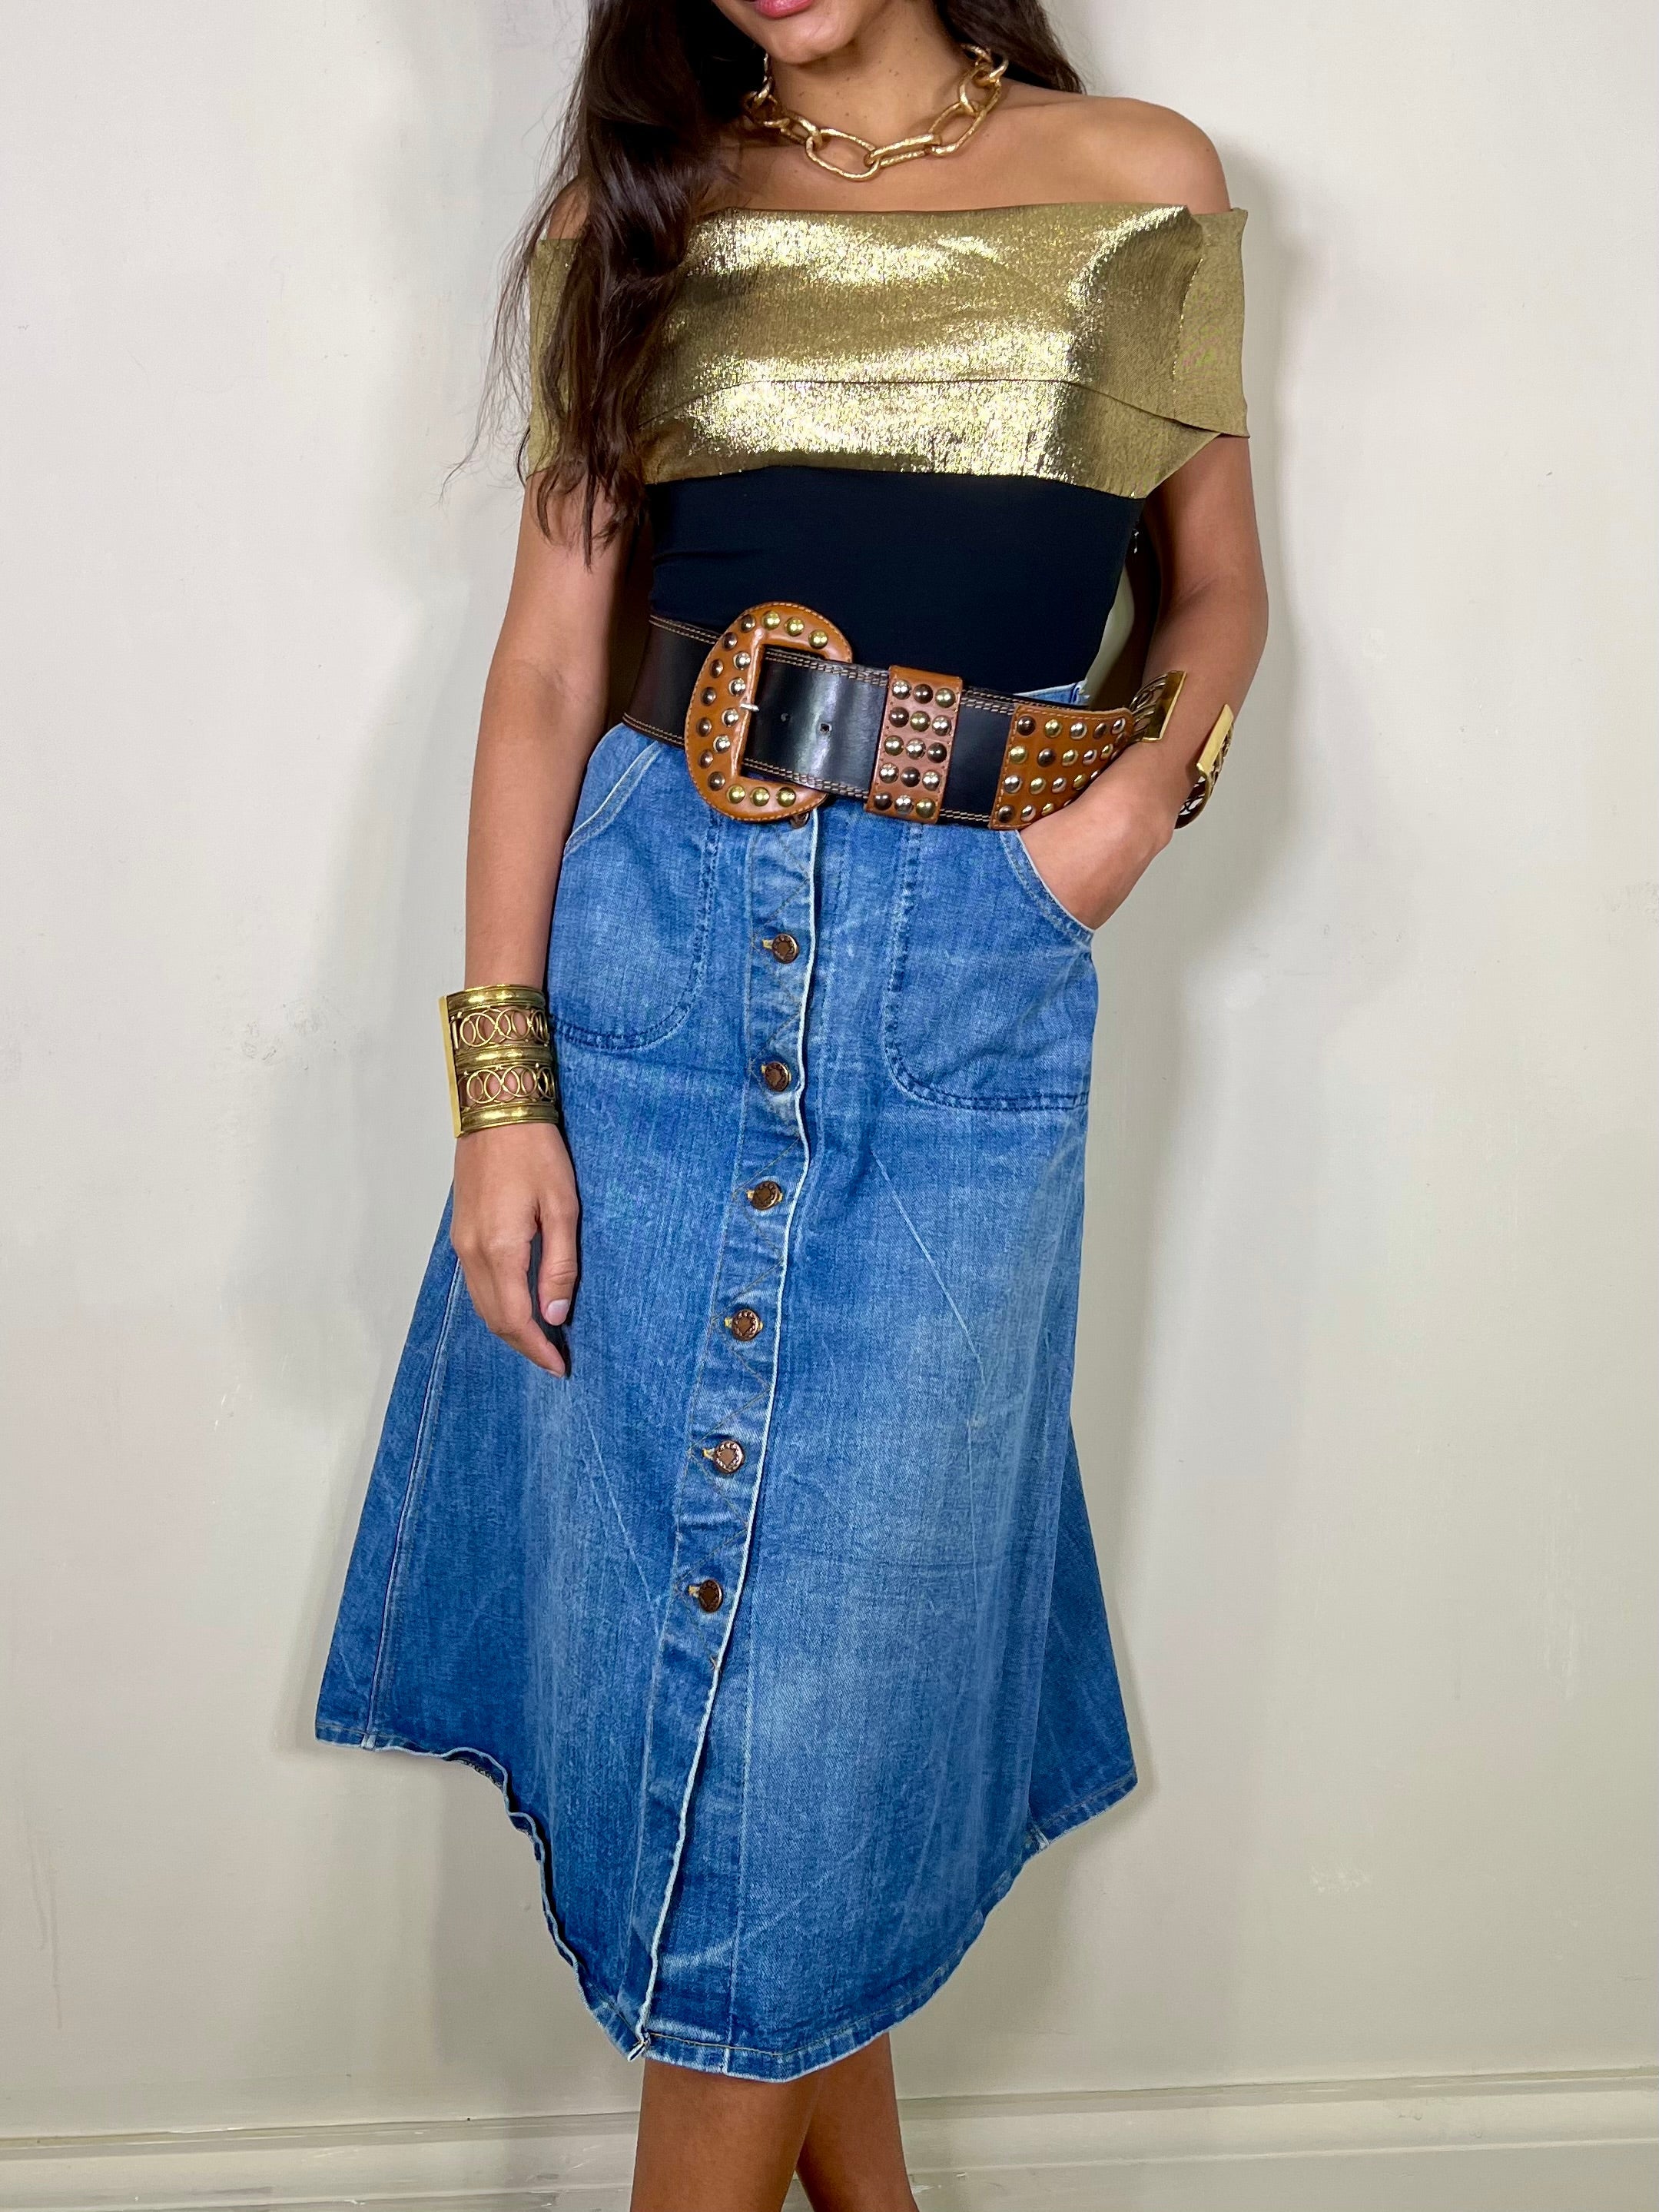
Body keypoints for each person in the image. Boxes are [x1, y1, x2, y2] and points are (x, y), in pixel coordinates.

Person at [315, 0, 1268, 2203]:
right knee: (734, 1682)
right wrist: (499, 1084)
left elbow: (1216, 592)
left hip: (967, 974)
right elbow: (548, 663)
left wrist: (1106, 838)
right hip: (654, 962)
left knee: (827, 1683)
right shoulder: (641, 209)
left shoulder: (1144, 178)